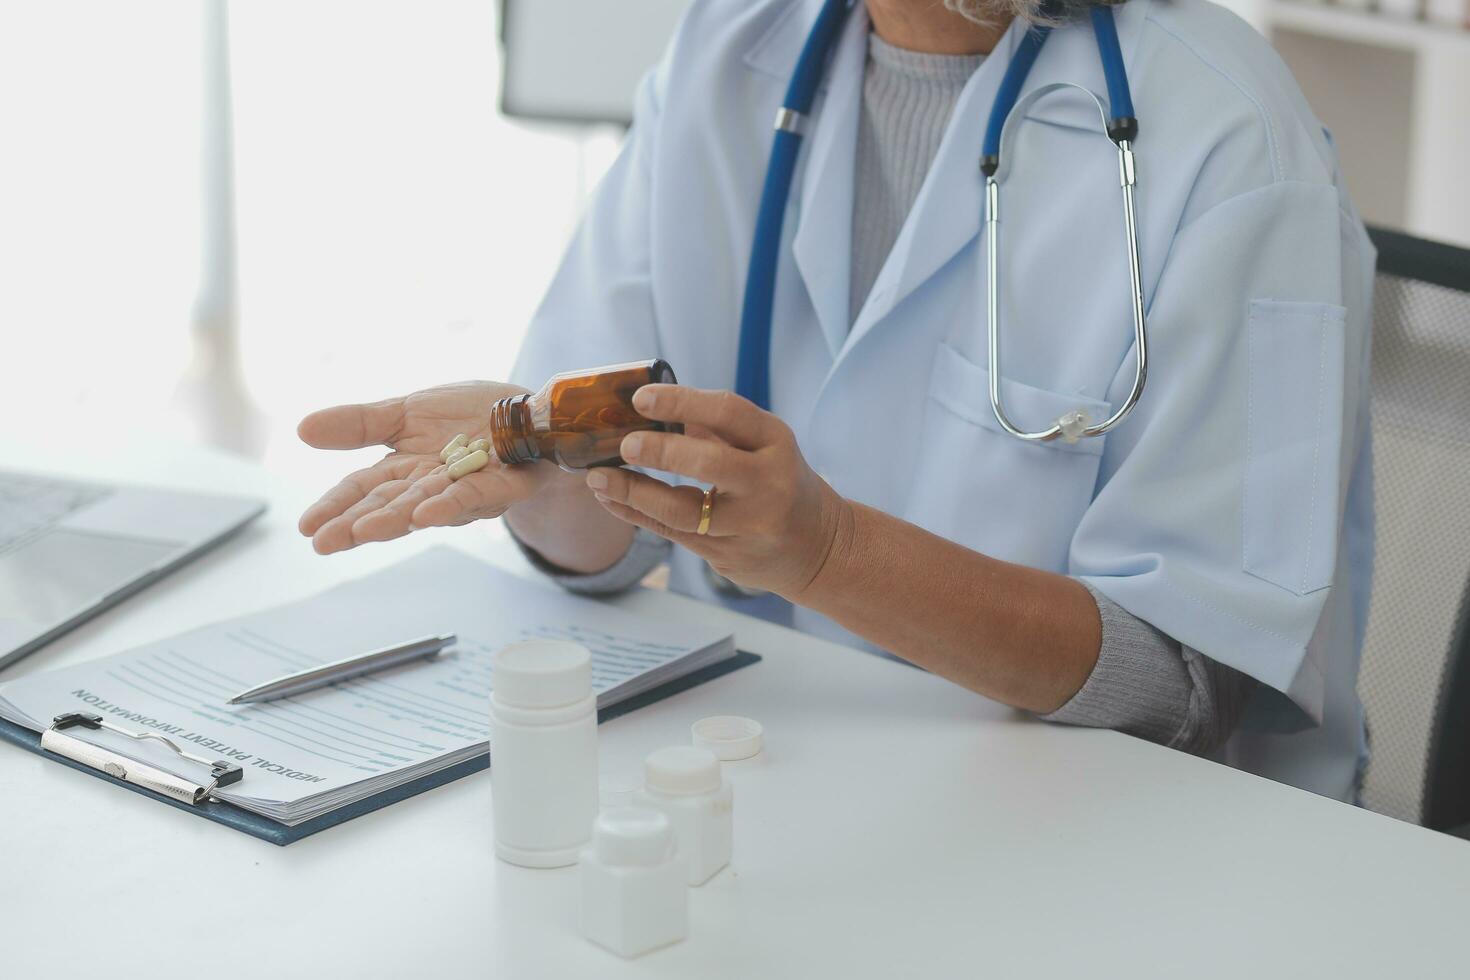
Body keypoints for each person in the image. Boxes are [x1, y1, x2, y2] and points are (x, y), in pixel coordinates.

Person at [296, 0, 1374, 802]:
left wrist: (829, 553)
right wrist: (535, 454)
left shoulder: (1228, 133)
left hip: (1107, 836)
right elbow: (611, 541)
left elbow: (1185, 686)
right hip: (769, 780)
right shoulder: (731, 49)